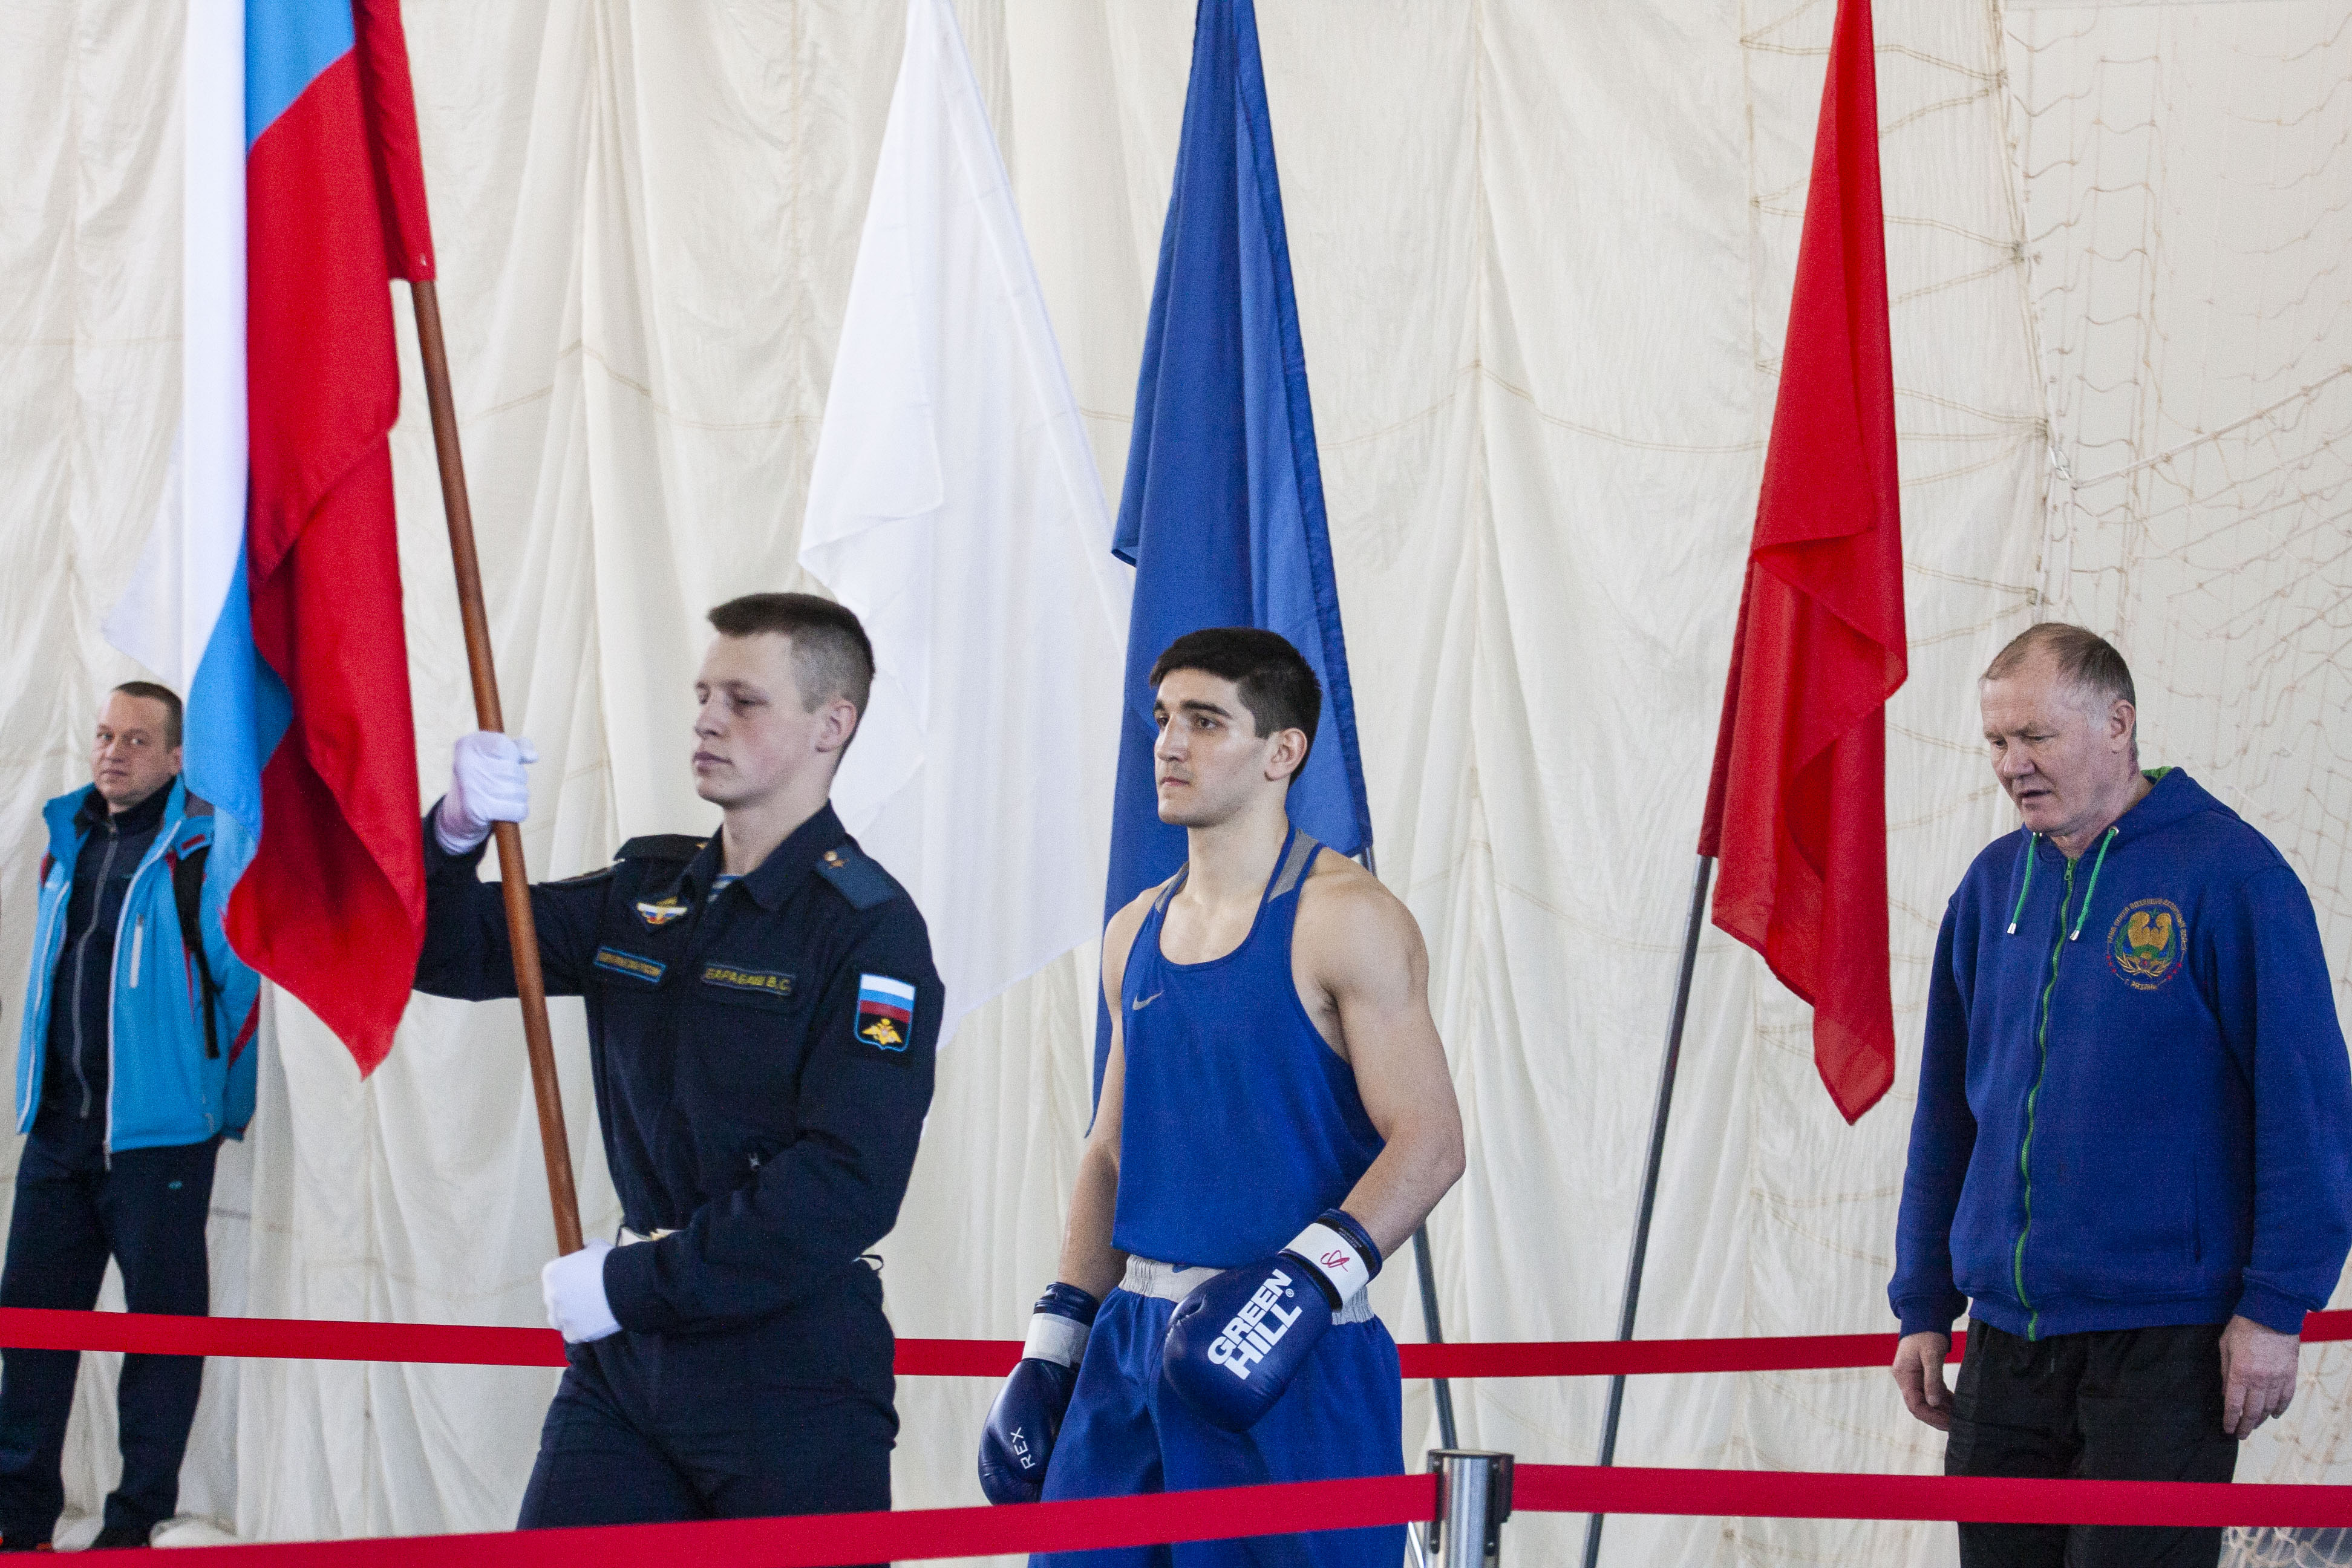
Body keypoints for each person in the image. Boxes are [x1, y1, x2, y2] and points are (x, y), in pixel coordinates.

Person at [413, 593, 941, 1533]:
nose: (705, 718)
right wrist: (451, 834)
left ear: (833, 725)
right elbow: (445, 952)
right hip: (631, 1371)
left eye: (743, 700)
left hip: (789, 1372)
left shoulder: (869, 933)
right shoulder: (645, 894)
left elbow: (844, 1184)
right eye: (703, 693)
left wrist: (629, 1285)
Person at [977, 628, 1465, 1568]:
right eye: (1164, 720)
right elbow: (1111, 1154)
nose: (1170, 744)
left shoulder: (1348, 919)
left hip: (1296, 1357)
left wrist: (1302, 1288)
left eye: (1206, 722)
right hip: (1130, 1349)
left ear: (1284, 751)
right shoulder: (1136, 931)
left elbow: (1431, 1141)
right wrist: (1057, 1335)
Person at [1890, 622, 2352, 1568]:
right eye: (1997, 743)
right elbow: (1947, 1116)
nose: (2013, 765)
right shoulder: (1989, 889)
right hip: (2008, 1342)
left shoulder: (2233, 877)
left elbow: (2308, 1110)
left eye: (2036, 738)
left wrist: (2275, 1309)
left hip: (2167, 1346)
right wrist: (1924, 1303)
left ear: (2118, 724)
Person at [1, 684, 259, 1551]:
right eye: (106, 735)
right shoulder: (68, 836)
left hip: (158, 1143)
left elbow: (243, 990)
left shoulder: (201, 850)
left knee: (159, 1345)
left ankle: (131, 1525)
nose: (112, 752)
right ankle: (17, 1519)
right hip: (59, 1134)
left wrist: (216, 1108)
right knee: (31, 1339)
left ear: (178, 757)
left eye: (137, 740)